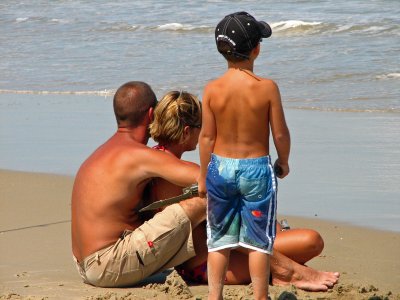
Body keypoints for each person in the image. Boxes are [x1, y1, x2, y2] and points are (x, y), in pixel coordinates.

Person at [148, 90, 339, 292]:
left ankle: (281, 270)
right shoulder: (183, 171)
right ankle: (285, 273)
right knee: (311, 241)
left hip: (201, 257)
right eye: (200, 127)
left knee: (274, 228)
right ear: (187, 131)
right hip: (202, 265)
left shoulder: (158, 161)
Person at [71, 81, 206, 287]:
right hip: (107, 265)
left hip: (85, 263)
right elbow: (205, 178)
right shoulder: (138, 155)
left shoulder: (102, 152)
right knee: (202, 202)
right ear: (152, 114)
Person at [197, 12, 290, 300]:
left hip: (220, 168)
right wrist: (283, 161)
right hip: (257, 170)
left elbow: (206, 137)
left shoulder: (212, 89)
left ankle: (215, 296)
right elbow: (280, 134)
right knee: (258, 241)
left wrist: (202, 176)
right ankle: (260, 295)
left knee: (219, 241)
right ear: (256, 49)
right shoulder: (267, 88)